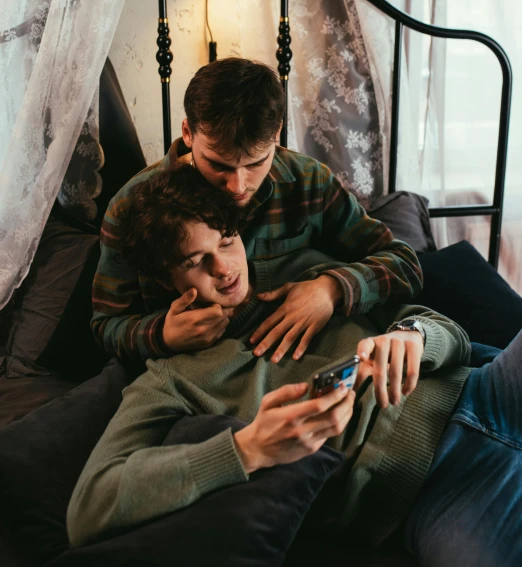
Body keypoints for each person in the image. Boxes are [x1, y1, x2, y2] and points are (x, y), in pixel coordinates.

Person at [68, 164, 522, 566]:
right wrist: (249, 449)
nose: (224, 268)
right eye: (196, 261)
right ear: (167, 278)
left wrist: (415, 336)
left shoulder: (304, 273)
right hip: (430, 495)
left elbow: (452, 334)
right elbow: (89, 508)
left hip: (487, 389)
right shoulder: (169, 379)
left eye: (227, 243)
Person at [92, 57, 422, 365]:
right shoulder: (131, 206)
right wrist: (162, 335)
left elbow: (405, 263)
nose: (237, 186)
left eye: (255, 164)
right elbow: (106, 326)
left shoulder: (308, 182)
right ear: (188, 133)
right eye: (218, 165)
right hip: (197, 380)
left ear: (275, 136)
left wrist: (331, 289)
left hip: (306, 365)